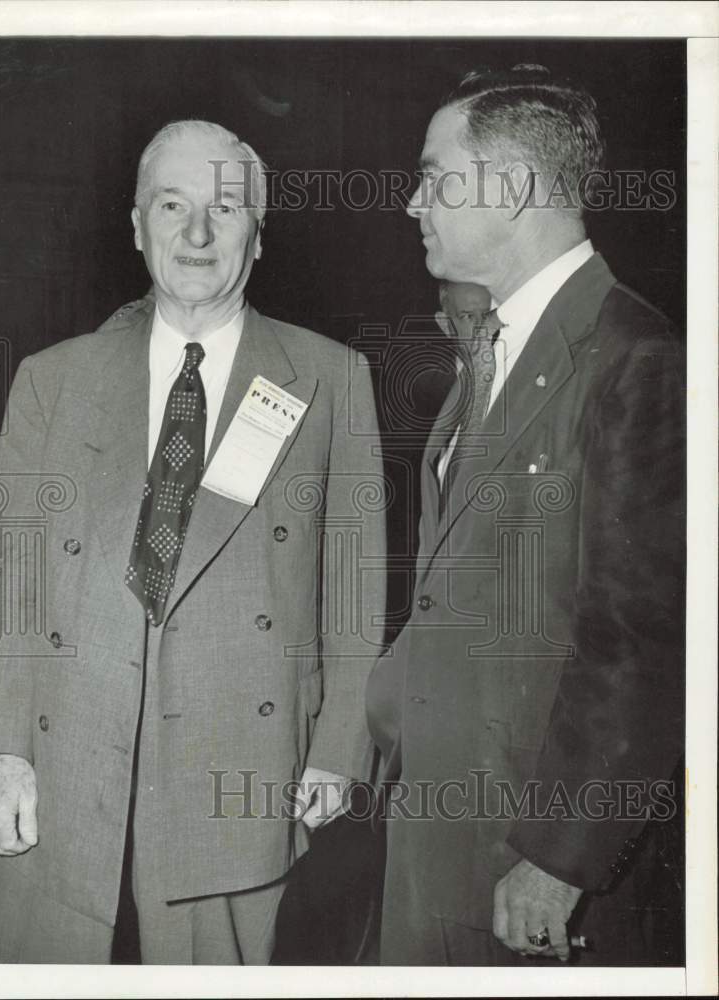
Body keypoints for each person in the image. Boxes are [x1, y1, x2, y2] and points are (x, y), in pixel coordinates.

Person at [0, 119, 386, 965]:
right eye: (173, 205)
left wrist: (341, 747)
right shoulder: (53, 379)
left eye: (225, 210)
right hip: (65, 764)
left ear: (258, 236)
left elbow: (354, 585)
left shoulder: (331, 379)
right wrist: (2, 754)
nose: (197, 234)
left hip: (238, 773)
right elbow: (13, 583)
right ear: (136, 226)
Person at [366, 65, 685, 966]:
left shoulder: (640, 358)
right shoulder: (496, 349)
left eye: (434, 175)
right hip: (434, 837)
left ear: (510, 188)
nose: (412, 202)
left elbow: (644, 641)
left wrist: (559, 858)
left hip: (528, 872)